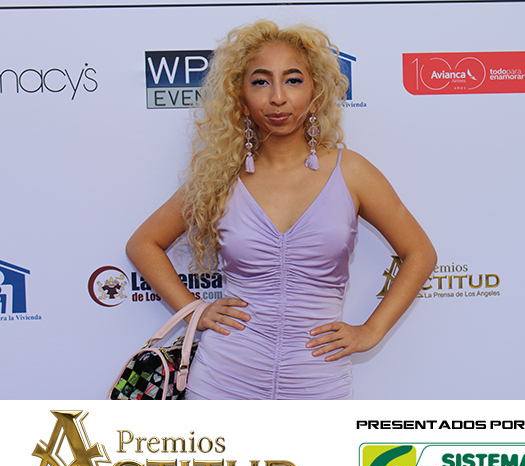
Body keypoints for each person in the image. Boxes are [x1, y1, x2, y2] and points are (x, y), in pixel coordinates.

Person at [126, 20, 437, 400]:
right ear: (240, 98)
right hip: (222, 383)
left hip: (317, 384)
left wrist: (371, 331)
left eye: (293, 80)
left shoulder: (352, 172)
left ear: (315, 94)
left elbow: (419, 252)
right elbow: (143, 243)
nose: (277, 97)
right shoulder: (220, 176)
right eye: (260, 82)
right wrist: (194, 309)